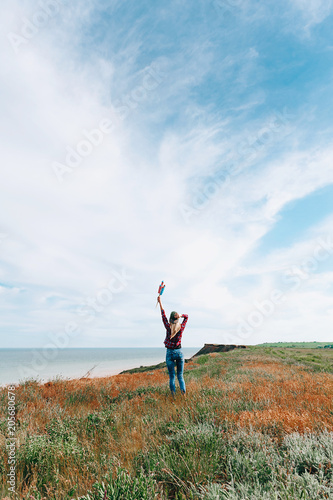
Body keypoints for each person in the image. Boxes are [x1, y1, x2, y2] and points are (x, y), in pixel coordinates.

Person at [157, 295, 188, 396]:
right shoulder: (181, 327)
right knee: (180, 376)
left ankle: (173, 396)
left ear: (170, 319)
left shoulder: (168, 327)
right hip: (179, 352)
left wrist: (160, 302)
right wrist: (180, 315)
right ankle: (183, 395)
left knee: (172, 377)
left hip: (170, 352)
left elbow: (163, 315)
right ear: (177, 319)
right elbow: (186, 316)